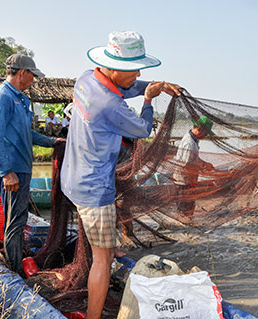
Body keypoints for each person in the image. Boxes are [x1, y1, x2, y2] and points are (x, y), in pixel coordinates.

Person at [60, 30, 181, 319]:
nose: (137, 73)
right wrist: (149, 99)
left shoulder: (86, 78)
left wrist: (150, 86)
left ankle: (110, 249)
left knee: (105, 245)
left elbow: (123, 87)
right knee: (101, 261)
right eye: (131, 69)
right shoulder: (110, 106)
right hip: (94, 189)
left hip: (72, 179)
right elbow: (142, 128)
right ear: (113, 67)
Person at [0, 54, 62, 276]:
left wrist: (52, 142)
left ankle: (16, 256)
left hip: (22, 167)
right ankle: (15, 270)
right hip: (13, 170)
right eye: (33, 75)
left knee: (18, 218)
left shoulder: (20, 99)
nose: (34, 80)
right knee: (15, 221)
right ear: (23, 73)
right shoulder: (2, 97)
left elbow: (26, 133)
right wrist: (6, 172)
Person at [173, 116, 215, 216]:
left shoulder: (193, 139)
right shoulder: (189, 143)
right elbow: (187, 164)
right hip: (184, 181)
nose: (205, 136)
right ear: (199, 129)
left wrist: (204, 164)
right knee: (185, 208)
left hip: (188, 179)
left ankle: (186, 223)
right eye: (206, 133)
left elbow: (194, 158)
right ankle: (183, 225)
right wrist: (203, 169)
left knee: (188, 205)